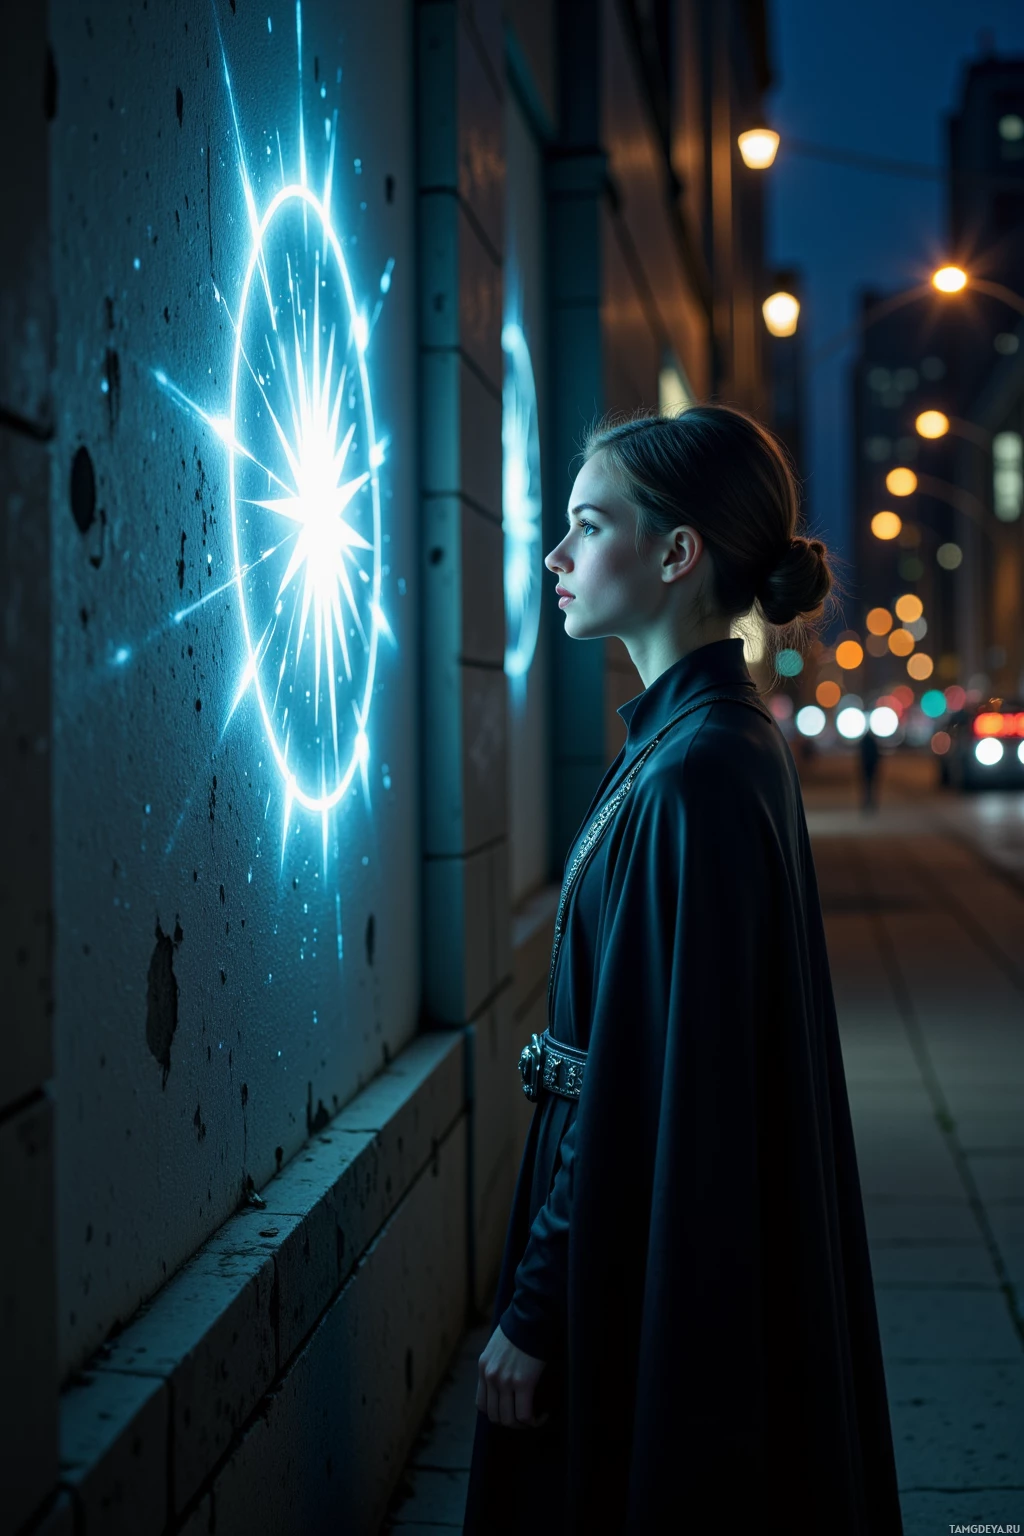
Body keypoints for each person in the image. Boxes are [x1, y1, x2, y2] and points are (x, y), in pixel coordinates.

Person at [463, 407, 903, 1535]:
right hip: (626, 1210)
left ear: (675, 554)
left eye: (586, 526)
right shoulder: (697, 743)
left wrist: (536, 1311)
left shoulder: (694, 773)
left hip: (623, 1229)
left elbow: (646, 1083)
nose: (555, 559)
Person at [859, 726, 881, 810]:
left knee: (866, 786)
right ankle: (870, 803)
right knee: (871, 786)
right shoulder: (873, 742)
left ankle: (867, 802)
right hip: (871, 767)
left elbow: (861, 755)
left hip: (866, 767)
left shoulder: (864, 742)